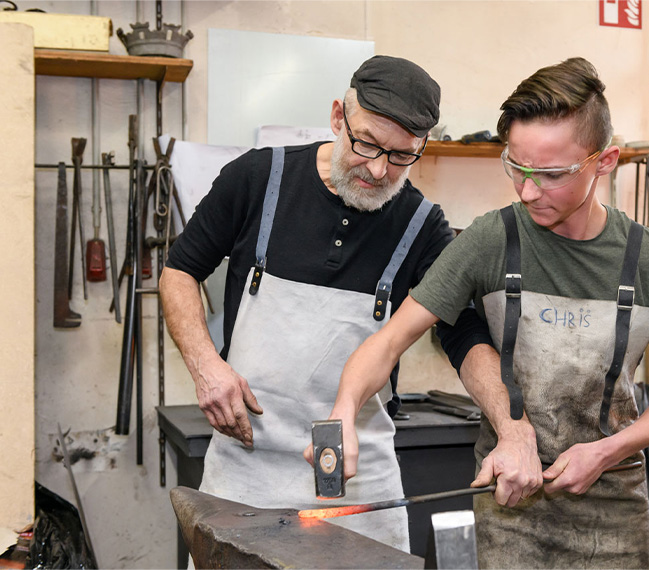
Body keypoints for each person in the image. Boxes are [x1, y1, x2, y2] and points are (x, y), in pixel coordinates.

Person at [308, 57, 649, 568]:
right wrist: (344, 410)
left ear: (604, 161)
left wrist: (607, 452)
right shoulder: (492, 240)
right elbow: (390, 340)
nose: (526, 191)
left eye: (549, 174)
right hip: (509, 505)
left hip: (612, 516)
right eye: (516, 168)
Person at [160, 55, 493, 551]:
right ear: (338, 117)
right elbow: (179, 271)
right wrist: (206, 364)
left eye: (401, 155)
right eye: (367, 144)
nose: (380, 170)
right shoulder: (257, 179)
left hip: (361, 480)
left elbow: (463, 333)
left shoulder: (422, 225)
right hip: (247, 469)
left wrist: (510, 429)